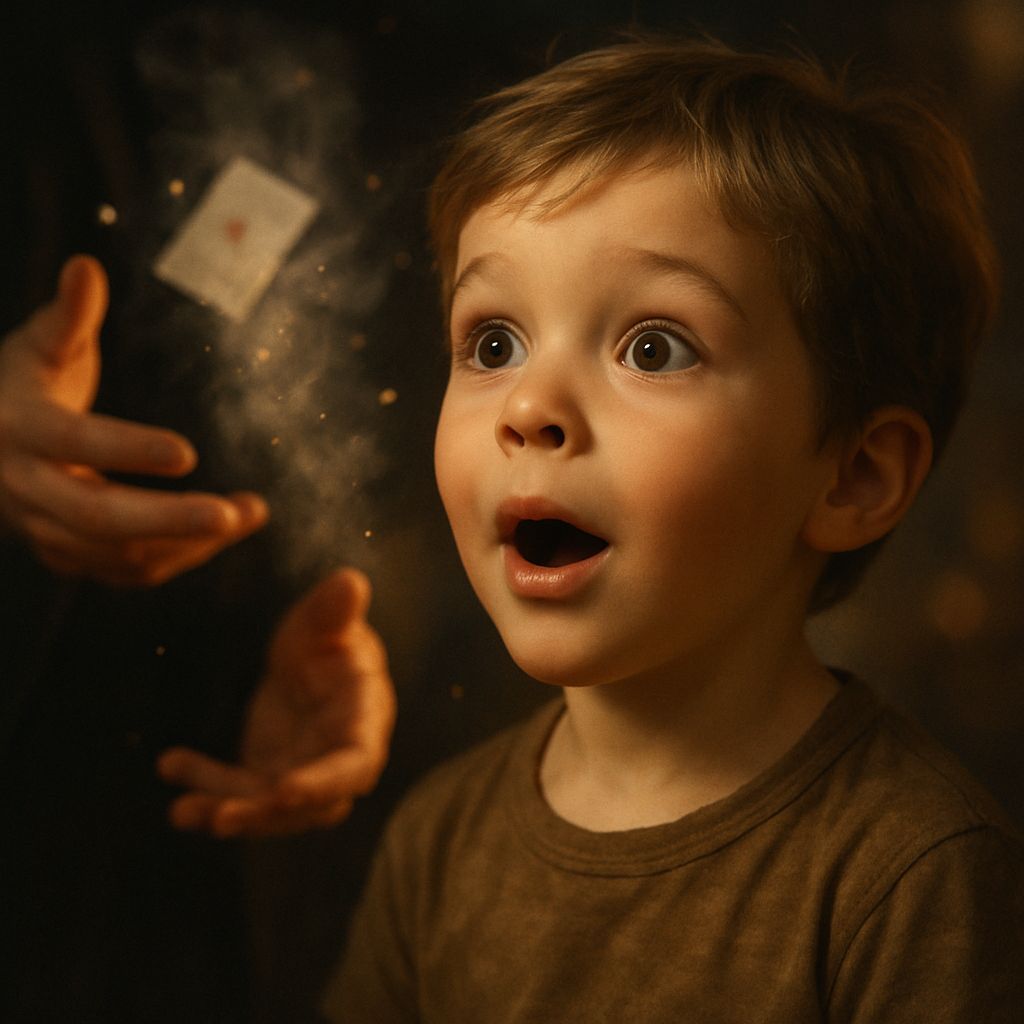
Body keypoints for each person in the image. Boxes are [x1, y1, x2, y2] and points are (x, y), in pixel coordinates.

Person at [323, 37, 1024, 1021]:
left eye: (653, 347)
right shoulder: (436, 842)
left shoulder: (909, 877)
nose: (530, 404)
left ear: (853, 475)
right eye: (493, 341)